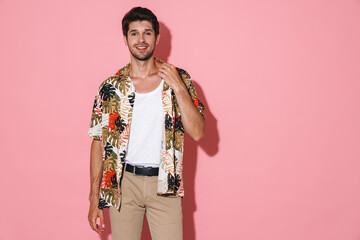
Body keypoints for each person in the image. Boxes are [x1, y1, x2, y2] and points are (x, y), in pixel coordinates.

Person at [87, 6, 205, 240]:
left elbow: (198, 133)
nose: (141, 39)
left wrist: (179, 87)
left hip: (165, 184)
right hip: (123, 185)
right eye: (134, 33)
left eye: (147, 33)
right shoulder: (110, 87)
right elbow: (98, 141)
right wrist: (93, 198)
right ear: (125, 39)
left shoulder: (178, 79)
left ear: (157, 37)